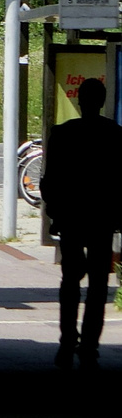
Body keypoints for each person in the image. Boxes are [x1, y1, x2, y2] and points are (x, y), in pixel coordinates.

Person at [40, 77, 122, 371]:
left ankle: (66, 340)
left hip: (71, 217)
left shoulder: (62, 134)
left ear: (79, 100)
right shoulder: (115, 134)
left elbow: (50, 180)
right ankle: (90, 344)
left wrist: (54, 215)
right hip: (101, 218)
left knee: (70, 280)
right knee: (99, 284)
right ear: (101, 101)